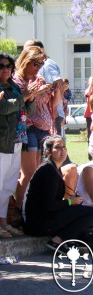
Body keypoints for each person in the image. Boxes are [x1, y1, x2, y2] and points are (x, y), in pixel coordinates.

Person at [23, 135, 93, 252]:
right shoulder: (48, 170)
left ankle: (70, 241)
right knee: (91, 213)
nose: (62, 150)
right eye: (57, 147)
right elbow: (49, 205)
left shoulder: (54, 168)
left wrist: (72, 202)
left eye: (64, 147)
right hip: (39, 223)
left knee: (81, 210)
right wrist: (69, 201)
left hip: (44, 219)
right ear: (48, 151)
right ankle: (57, 241)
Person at [14, 45, 61, 206]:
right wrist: (34, 92)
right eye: (36, 64)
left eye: (41, 64)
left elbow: (48, 104)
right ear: (26, 61)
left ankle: (30, 207)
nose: (38, 68)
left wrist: (56, 89)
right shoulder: (17, 80)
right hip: (26, 129)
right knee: (28, 173)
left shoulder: (37, 80)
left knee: (37, 172)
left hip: (41, 128)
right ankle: (20, 209)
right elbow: (21, 101)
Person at [0, 53, 25, 237]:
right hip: (3, 142)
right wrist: (24, 98)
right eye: (1, 66)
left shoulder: (14, 86)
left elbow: (24, 107)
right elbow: (4, 107)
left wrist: (31, 97)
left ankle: (3, 223)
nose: (5, 69)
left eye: (9, 66)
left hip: (16, 141)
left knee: (8, 186)